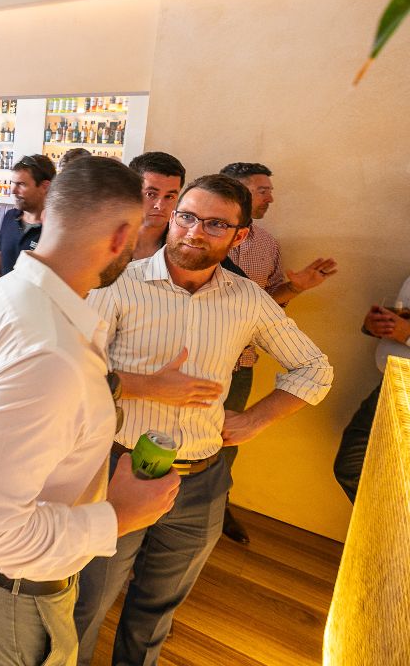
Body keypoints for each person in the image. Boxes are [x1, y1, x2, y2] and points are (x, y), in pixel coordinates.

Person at [73, 173, 333, 666]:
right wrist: (145, 385)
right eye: (187, 217)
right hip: (119, 466)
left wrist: (255, 420)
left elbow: (314, 368)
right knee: (87, 601)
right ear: (172, 217)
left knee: (156, 609)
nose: (195, 232)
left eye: (215, 224)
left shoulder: (248, 299)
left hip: (201, 481)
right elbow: (70, 372)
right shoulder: (120, 284)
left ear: (240, 236)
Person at [0, 157, 180, 665]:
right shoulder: (50, 352)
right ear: (121, 236)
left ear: (51, 211)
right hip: (11, 591)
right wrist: (118, 515)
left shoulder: (12, 291)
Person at [217, 161, 339, 543]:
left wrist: (294, 287)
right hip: (190, 358)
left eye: (270, 190)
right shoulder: (199, 235)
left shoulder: (267, 244)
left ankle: (216, 507)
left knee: (225, 443)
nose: (271, 198)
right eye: (262, 190)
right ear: (235, 191)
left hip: (240, 364)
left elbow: (267, 308)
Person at [334, 276, 410, 502]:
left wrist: (407, 335)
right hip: (391, 383)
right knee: (355, 468)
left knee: (353, 467)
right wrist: (373, 326)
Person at [0, 155, 53, 285]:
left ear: (45, 186)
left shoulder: (54, 229)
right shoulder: (10, 217)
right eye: (13, 183)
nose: (13, 190)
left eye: (21, 184)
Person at [129, 151, 185, 261]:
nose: (160, 206)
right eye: (150, 194)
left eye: (169, 196)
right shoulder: (104, 240)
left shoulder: (185, 245)